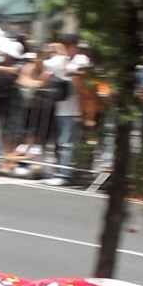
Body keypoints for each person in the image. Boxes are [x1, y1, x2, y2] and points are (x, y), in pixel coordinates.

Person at [43, 34, 89, 184]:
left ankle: (65, 175)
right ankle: (59, 171)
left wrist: (63, 57)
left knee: (66, 143)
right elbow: (46, 67)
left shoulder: (81, 59)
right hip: (59, 108)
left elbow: (72, 72)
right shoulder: (59, 59)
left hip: (74, 109)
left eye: (65, 46)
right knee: (59, 143)